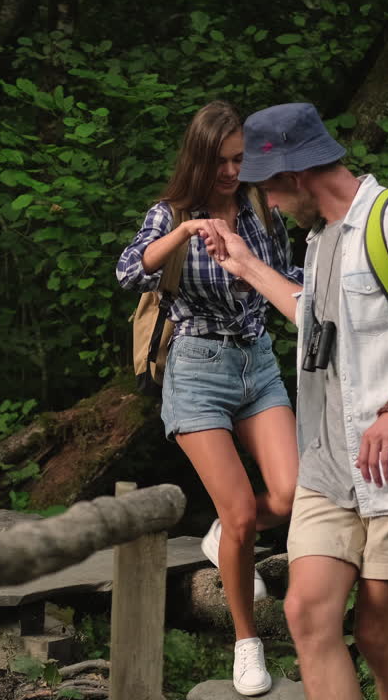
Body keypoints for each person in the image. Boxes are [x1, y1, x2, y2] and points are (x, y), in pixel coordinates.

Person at [200, 102, 388, 700]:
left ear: (296, 177)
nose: (266, 205)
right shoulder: (322, 240)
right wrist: (244, 265)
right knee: (306, 614)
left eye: (268, 191)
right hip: (331, 469)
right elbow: (315, 319)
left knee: (379, 637)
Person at [116, 100, 302, 696]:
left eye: (240, 160)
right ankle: (246, 645)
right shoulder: (170, 213)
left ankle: (225, 537)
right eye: (222, 161)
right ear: (199, 158)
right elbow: (128, 272)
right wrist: (185, 233)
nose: (231, 171)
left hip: (257, 363)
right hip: (196, 368)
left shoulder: (259, 210)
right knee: (243, 510)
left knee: (293, 494)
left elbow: (288, 279)